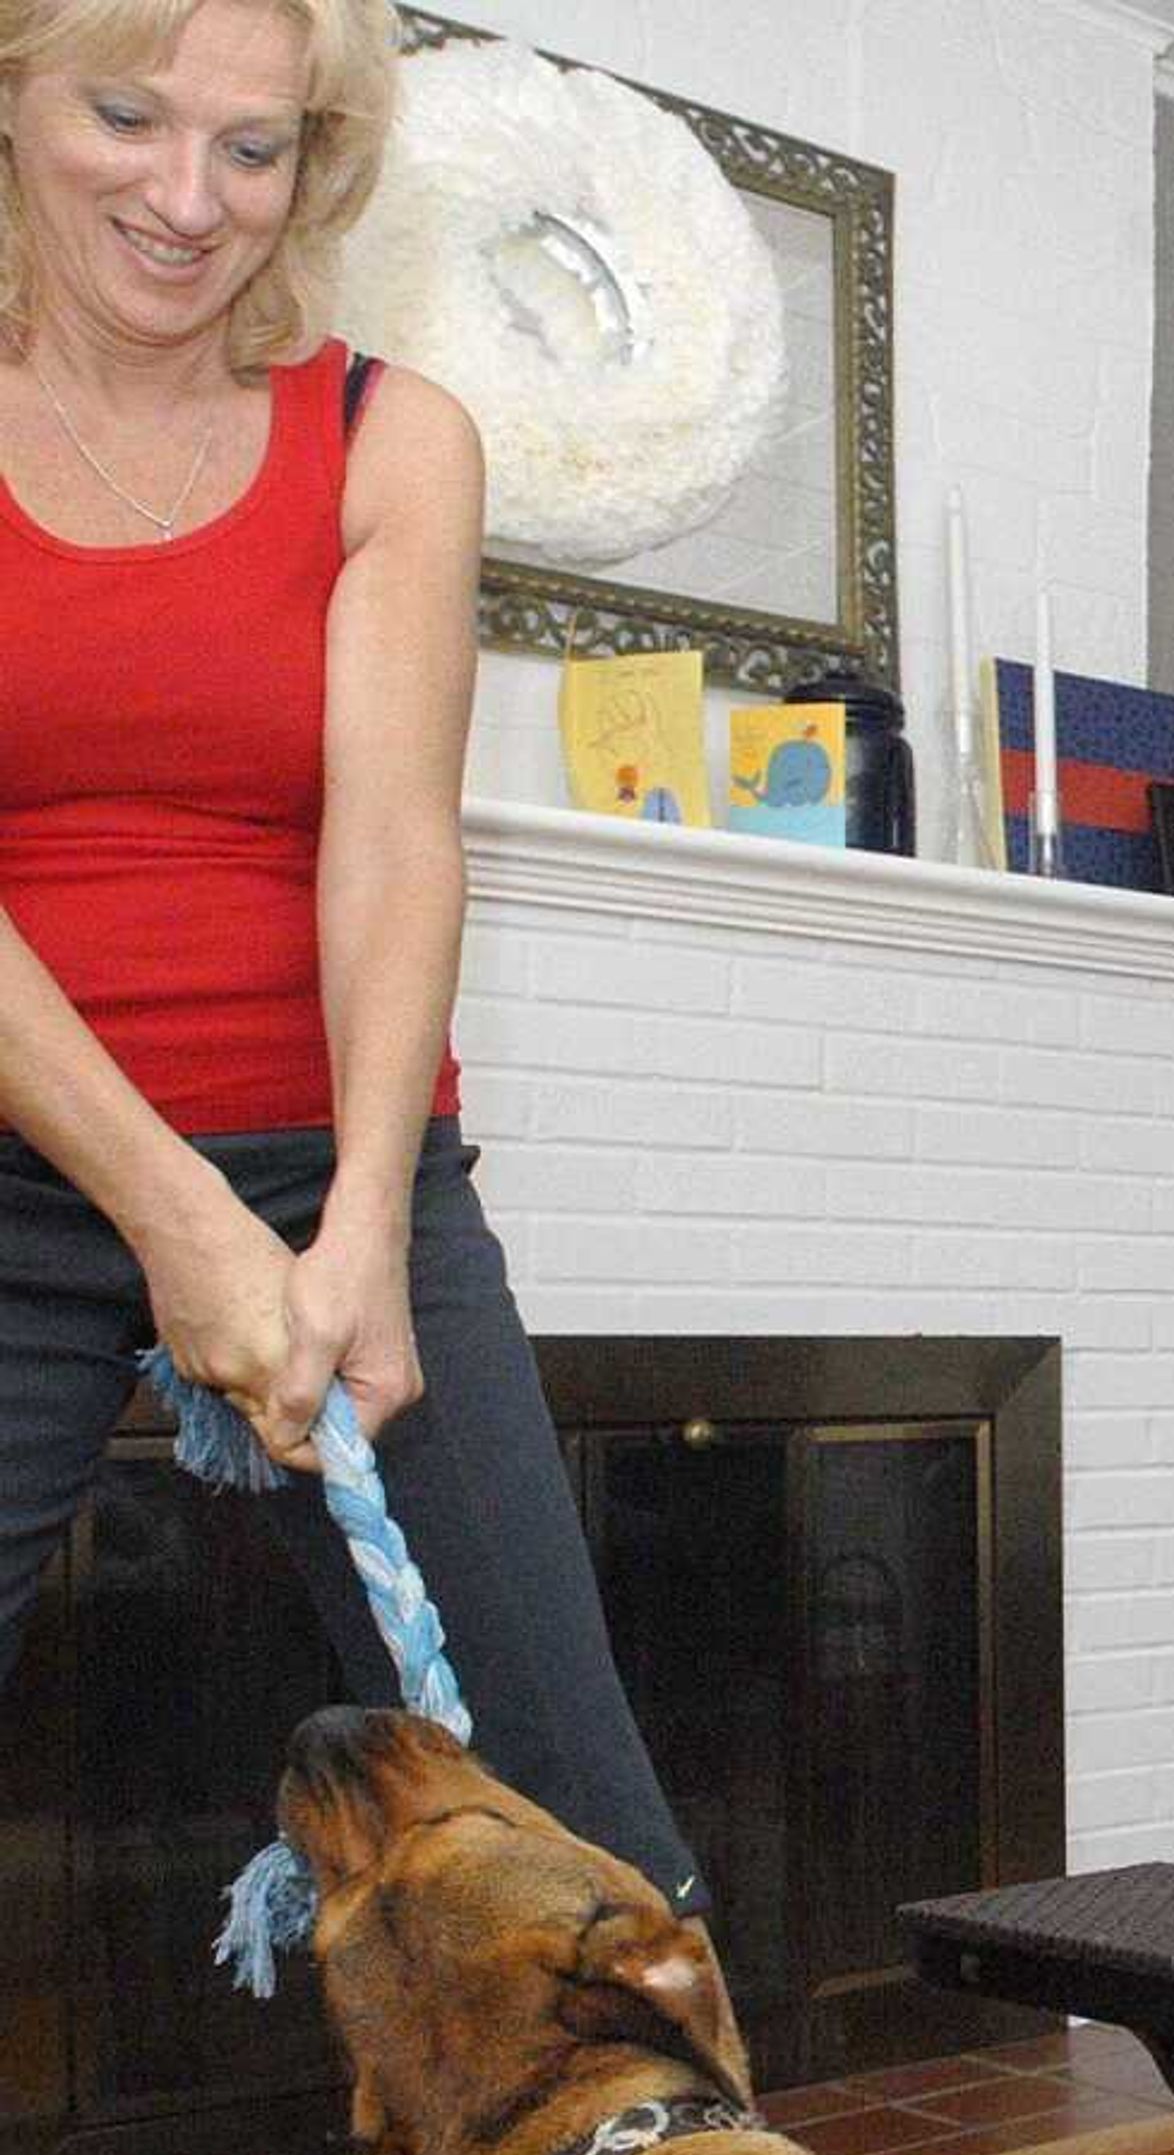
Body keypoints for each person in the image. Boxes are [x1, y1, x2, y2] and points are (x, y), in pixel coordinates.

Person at [1, 0, 705, 1914]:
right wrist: (174, 1217)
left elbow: (390, 838)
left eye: (256, 144)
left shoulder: (395, 433)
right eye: (125, 115)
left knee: (581, 1844)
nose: (187, 195)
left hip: (338, 1166)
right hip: (21, 1158)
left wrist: (365, 1226)